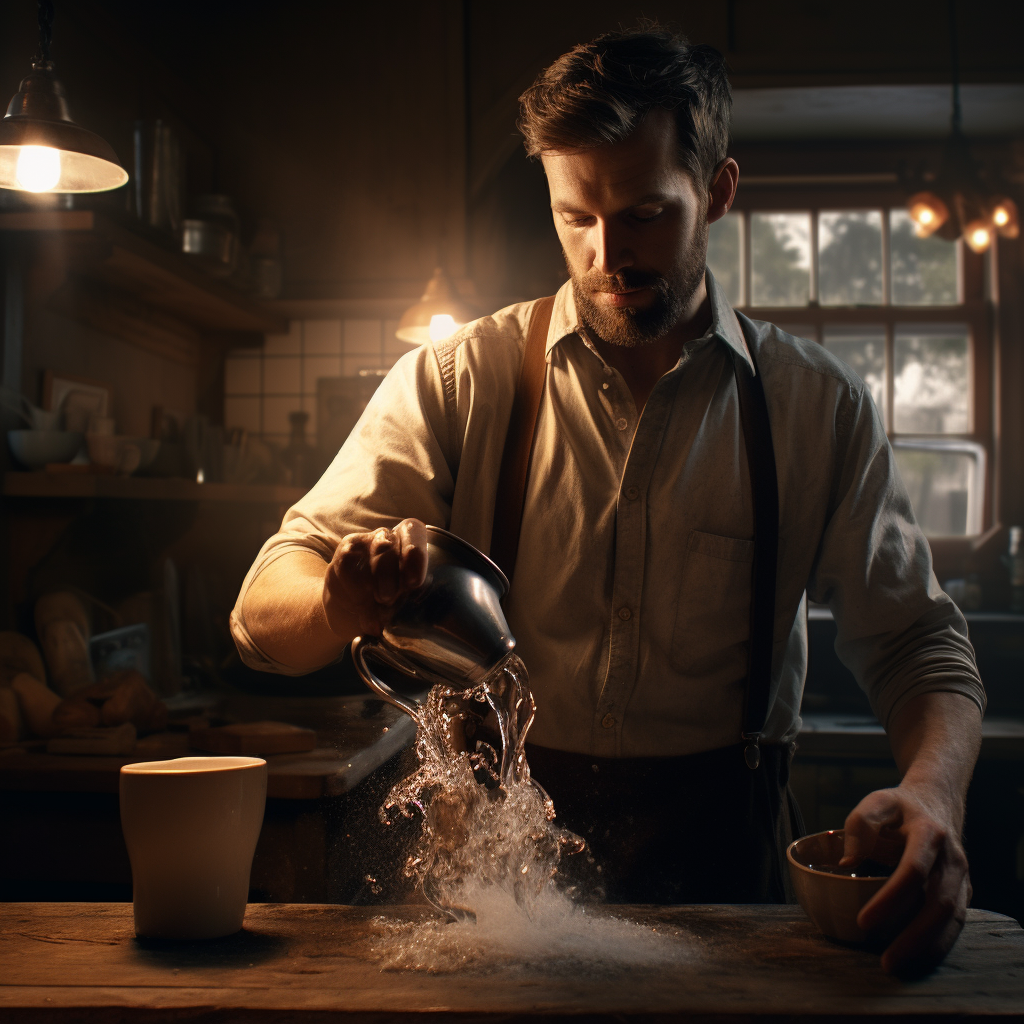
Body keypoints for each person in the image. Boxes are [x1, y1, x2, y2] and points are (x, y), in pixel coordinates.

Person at [231, 28, 985, 975]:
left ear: (717, 192)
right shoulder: (459, 381)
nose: (606, 255)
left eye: (644, 215)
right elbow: (262, 611)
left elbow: (918, 643)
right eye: (575, 217)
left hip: (726, 888)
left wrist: (935, 794)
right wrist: (340, 598)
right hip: (494, 896)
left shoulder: (815, 408)